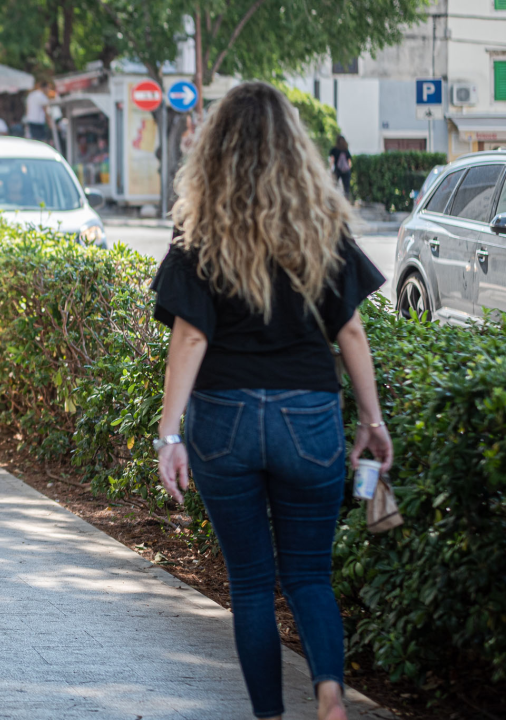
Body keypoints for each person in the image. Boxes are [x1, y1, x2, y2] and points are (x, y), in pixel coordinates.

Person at [151, 83, 393, 720]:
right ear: (296, 147)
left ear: (216, 149)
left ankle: (269, 716)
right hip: (308, 415)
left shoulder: (199, 230)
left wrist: (169, 435)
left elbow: (191, 337)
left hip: (223, 417)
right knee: (309, 575)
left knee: (252, 583)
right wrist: (371, 421)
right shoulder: (322, 226)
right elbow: (350, 333)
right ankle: (330, 694)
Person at [330, 135, 353, 201]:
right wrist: (348, 169)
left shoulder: (334, 149)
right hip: (346, 171)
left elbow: (332, 160)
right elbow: (349, 161)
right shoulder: (346, 150)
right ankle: (347, 201)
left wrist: (331, 169)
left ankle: (332, 200)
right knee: (346, 188)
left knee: (334, 186)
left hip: (337, 170)